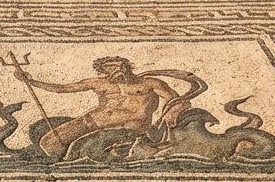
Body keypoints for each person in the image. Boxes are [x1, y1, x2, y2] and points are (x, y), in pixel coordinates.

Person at [11, 57, 196, 158]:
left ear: (128, 67)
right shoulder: (98, 83)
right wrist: (29, 80)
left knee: (82, 148)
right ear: (103, 71)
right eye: (110, 68)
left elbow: (178, 100)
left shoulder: (149, 83)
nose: (117, 70)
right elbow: (62, 89)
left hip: (128, 126)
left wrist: (173, 110)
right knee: (49, 142)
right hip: (92, 121)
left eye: (120, 66)